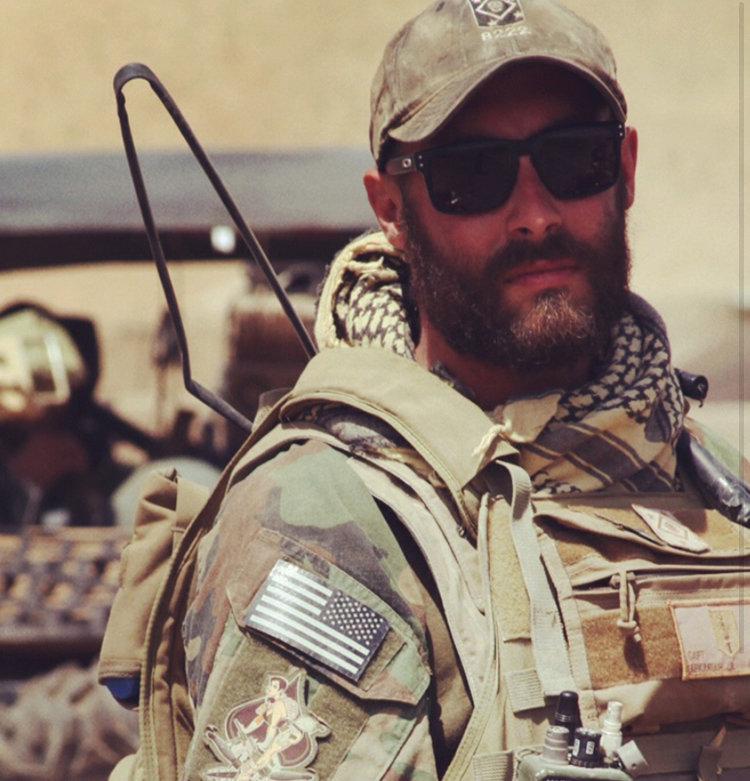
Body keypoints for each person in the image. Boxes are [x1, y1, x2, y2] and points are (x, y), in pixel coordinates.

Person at [102, 1, 750, 780]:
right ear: (392, 212)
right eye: (470, 176)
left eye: (576, 157)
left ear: (628, 170)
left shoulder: (717, 482)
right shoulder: (329, 518)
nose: (535, 214)